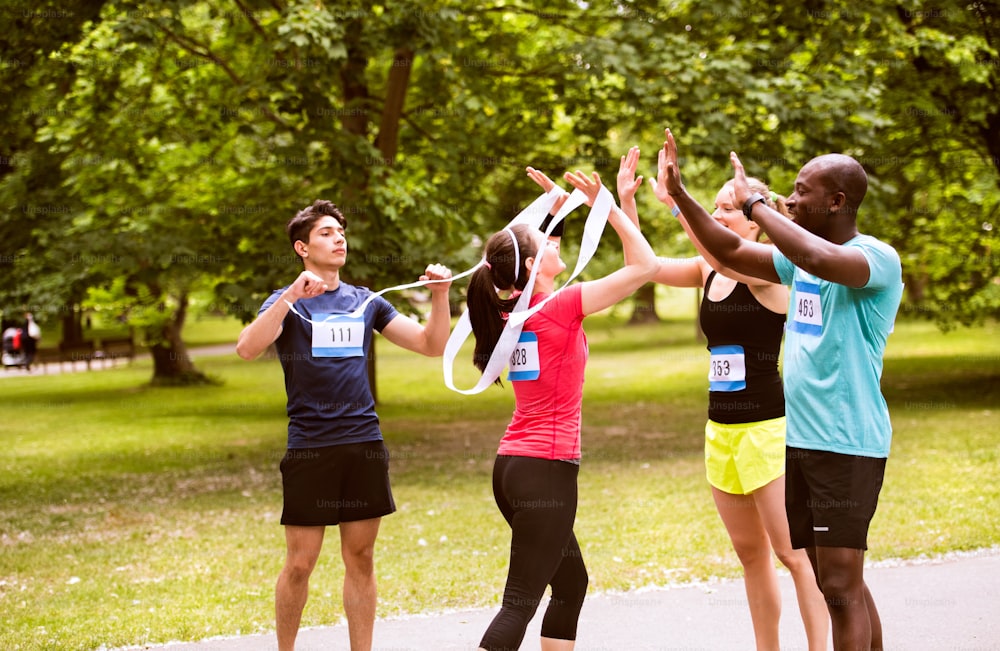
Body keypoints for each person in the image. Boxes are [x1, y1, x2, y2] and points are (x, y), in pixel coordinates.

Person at [661, 129, 903, 651]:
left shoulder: (874, 259)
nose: (790, 200)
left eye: (802, 190)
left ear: (837, 202)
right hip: (801, 442)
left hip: (848, 443)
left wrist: (756, 203)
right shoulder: (797, 259)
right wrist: (680, 196)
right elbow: (728, 248)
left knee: (838, 586)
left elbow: (819, 261)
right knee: (837, 582)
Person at [616, 145, 828, 650]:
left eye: (725, 207)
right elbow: (642, 266)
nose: (714, 214)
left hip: (769, 430)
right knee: (751, 558)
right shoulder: (704, 269)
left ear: (755, 222)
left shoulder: (772, 270)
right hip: (722, 433)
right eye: (709, 206)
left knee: (794, 554)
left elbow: (727, 259)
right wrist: (628, 204)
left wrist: (675, 203)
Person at [235, 199, 453, 651]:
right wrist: (292, 295)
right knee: (300, 563)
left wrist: (440, 294)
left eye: (341, 231)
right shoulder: (286, 302)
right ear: (302, 247)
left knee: (361, 557)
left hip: (364, 444)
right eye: (326, 233)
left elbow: (432, 345)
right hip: (311, 445)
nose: (339, 239)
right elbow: (247, 347)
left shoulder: (366, 301)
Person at [467, 167, 658, 651]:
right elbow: (645, 266)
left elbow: (626, 264)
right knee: (518, 603)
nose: (557, 243)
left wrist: (562, 207)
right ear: (532, 265)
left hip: (513, 468)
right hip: (545, 471)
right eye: (547, 242)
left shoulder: (511, 315)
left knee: (570, 585)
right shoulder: (561, 306)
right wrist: (606, 207)